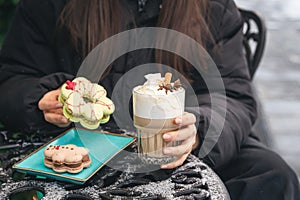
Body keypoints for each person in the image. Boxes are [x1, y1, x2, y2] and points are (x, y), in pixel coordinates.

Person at [0, 0, 299, 199]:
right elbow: (12, 78)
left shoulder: (212, 6)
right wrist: (40, 99)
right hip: (80, 144)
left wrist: (198, 130)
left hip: (175, 149)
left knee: (271, 174)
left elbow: (232, 95)